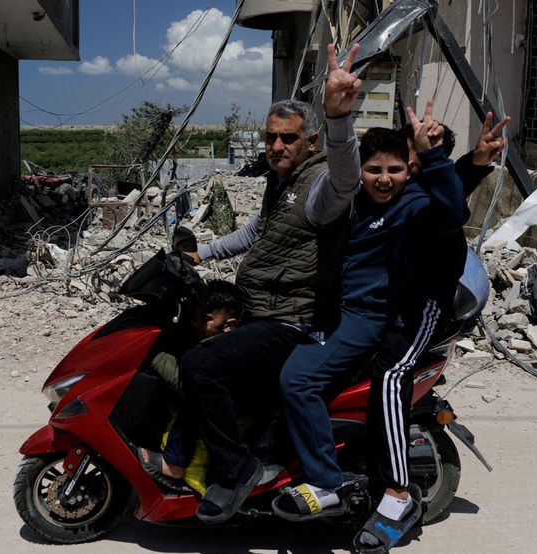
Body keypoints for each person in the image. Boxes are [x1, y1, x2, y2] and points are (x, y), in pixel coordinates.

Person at [176, 44, 364, 525]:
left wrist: (341, 119)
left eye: (288, 139)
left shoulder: (320, 183)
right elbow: (260, 231)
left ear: (310, 140)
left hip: (291, 321)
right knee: (184, 344)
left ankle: (237, 470)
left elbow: (346, 181)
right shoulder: (280, 180)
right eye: (270, 138)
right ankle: (180, 455)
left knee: (200, 365)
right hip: (261, 309)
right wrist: (204, 252)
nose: (276, 146)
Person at [273, 102, 466, 525]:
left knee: (298, 379)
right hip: (324, 309)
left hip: (364, 316)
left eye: (395, 170)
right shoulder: (351, 198)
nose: (384, 179)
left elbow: (453, 214)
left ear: (408, 171)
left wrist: (433, 155)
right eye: (374, 170)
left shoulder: (412, 203)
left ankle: (327, 484)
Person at [353, 112, 511, 553]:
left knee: (389, 376)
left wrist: (470, 161)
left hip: (423, 310)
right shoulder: (400, 187)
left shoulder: (438, 198)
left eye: (427, 151)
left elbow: (451, 193)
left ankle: (397, 496)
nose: (396, 175)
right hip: (381, 306)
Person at [137, 280, 243, 493]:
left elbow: (183, 381)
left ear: (229, 325)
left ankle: (175, 463)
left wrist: (149, 351)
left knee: (196, 394)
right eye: (194, 316)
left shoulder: (227, 349)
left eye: (204, 320)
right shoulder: (209, 337)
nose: (195, 323)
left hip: (233, 403)